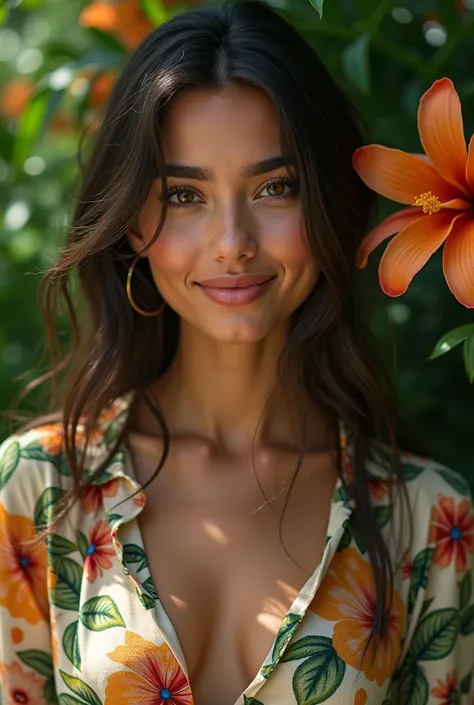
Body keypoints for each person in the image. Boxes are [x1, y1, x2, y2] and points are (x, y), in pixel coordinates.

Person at [0, 1, 473, 703]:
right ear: (132, 222)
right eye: (184, 195)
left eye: (275, 187)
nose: (232, 240)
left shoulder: (433, 521)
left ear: (329, 206)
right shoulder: (39, 492)